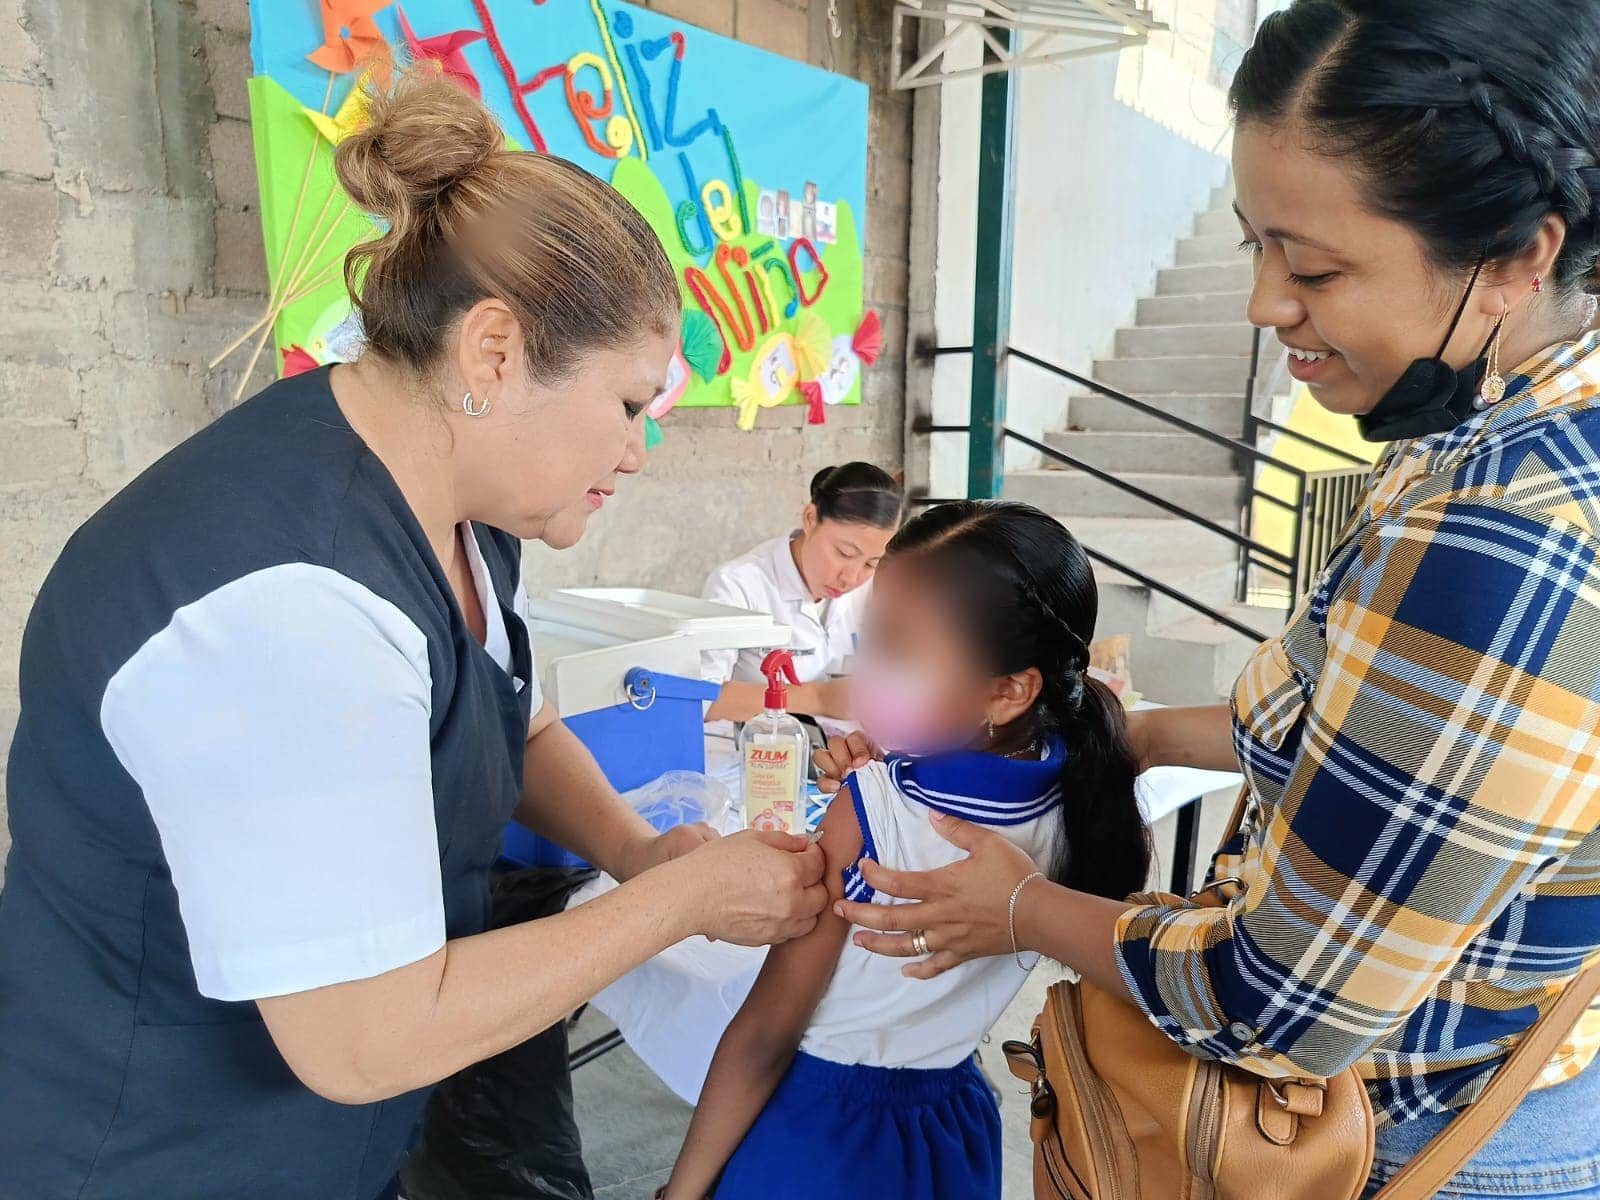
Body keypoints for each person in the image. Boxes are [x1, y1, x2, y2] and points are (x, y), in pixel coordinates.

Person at [817, 3, 1600, 1196]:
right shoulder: (1471, 429)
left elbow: (1275, 1005)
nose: (1264, 305)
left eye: (1316, 266)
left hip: (1388, 1145)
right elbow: (1356, 740)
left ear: (1514, 258)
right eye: (1254, 245)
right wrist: (1120, 738)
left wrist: (1024, 910)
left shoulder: (1502, 540)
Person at [0, 70, 826, 1200]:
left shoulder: (457, 511)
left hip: (334, 1149)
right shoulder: (293, 604)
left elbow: (510, 712)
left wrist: (638, 850)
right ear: (492, 353)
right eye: (630, 405)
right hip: (161, 1154)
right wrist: (674, 904)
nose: (637, 452)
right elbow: (363, 1039)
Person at [663, 501, 1152, 1200]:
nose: (866, 678)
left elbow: (764, 1035)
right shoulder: (1077, 787)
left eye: (897, 650)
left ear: (1010, 690)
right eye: (869, 643)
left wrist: (680, 1191)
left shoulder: (872, 808)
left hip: (819, 1140)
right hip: (951, 1129)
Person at [701, 462, 902, 727]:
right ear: (810, 518)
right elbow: (701, 700)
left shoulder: (875, 588)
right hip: (755, 753)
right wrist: (818, 698)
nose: (850, 578)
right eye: (844, 553)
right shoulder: (738, 585)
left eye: (871, 563)